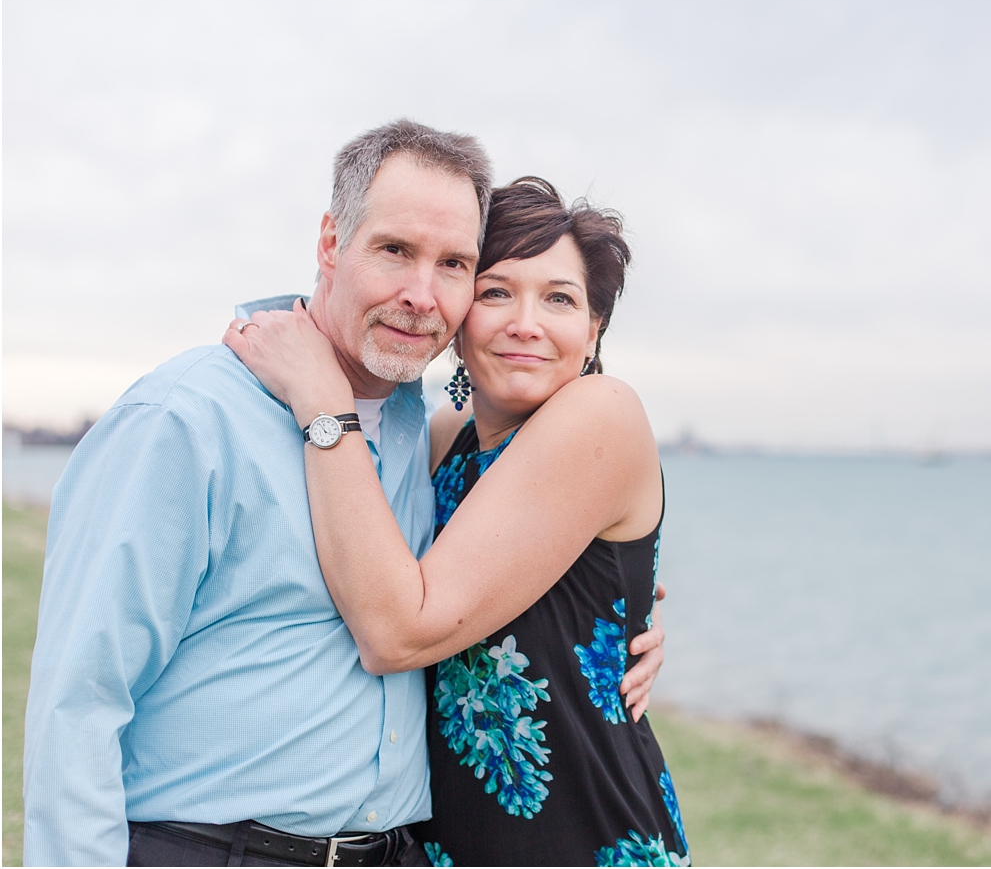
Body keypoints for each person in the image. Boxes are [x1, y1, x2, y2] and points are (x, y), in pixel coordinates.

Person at [23, 121, 665, 867]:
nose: (421, 295)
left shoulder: (406, 429)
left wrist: (621, 597)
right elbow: (78, 704)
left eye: (454, 264)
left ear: (594, 329)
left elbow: (523, 565)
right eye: (395, 250)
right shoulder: (188, 420)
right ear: (331, 243)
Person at [225, 176, 688, 866]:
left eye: (559, 299)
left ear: (593, 331)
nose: (525, 322)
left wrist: (322, 400)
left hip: (581, 833)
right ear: (460, 315)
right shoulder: (442, 436)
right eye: (496, 291)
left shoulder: (605, 412)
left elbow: (396, 631)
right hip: (443, 840)